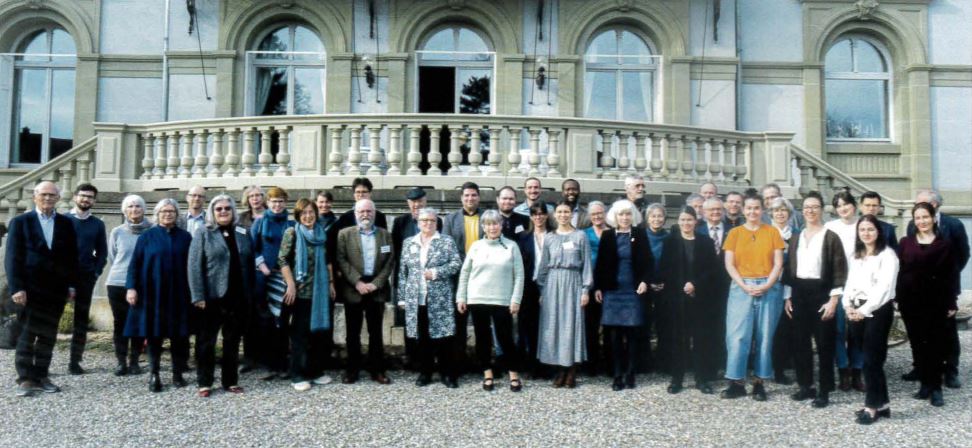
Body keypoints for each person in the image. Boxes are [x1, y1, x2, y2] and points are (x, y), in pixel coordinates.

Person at [6, 181, 79, 397]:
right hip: (29, 290)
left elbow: (71, 257)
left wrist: (72, 285)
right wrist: (17, 287)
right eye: (44, 195)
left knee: (48, 335)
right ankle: (26, 378)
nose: (48, 199)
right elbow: (12, 257)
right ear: (35, 197)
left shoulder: (66, 223)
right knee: (27, 334)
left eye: (52, 195)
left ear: (58, 198)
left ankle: (42, 375)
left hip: (56, 290)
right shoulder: (21, 222)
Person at [783, 192, 848, 408]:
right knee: (800, 342)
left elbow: (840, 270)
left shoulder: (830, 237)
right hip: (799, 293)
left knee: (824, 344)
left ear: (822, 209)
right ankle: (806, 385)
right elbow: (789, 269)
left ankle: (824, 390)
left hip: (822, 293)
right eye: (807, 207)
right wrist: (788, 297)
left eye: (815, 207)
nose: (810, 211)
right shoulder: (796, 237)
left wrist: (833, 300)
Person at [188, 195, 256, 397]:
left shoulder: (243, 231)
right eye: (219, 209)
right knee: (206, 341)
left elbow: (249, 263)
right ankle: (205, 382)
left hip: (238, 296)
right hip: (212, 296)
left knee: (232, 340)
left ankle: (230, 380)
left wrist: (250, 292)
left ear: (233, 211)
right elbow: (193, 266)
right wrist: (197, 295)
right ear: (212, 212)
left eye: (227, 208)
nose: (224, 212)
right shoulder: (204, 232)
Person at [720, 192, 785, 401]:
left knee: (764, 337)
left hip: (768, 286)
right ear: (743, 210)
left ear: (762, 210)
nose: (752, 212)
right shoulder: (735, 233)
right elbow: (729, 263)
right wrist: (744, 285)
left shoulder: (772, 232)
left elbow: (778, 263)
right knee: (738, 336)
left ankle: (759, 382)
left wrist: (767, 284)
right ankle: (736, 382)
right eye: (748, 208)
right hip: (741, 287)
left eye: (756, 208)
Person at [125, 198, 192, 393]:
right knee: (154, 334)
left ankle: (177, 373)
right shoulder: (147, 237)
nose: (168, 214)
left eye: (171, 211)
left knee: (179, 335)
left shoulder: (185, 237)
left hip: (179, 293)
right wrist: (131, 288)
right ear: (157, 214)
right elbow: (135, 264)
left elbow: (193, 265)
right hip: (152, 293)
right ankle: (154, 374)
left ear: (177, 215)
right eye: (164, 211)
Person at [904, 189, 969, 388]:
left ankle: (950, 370)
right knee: (919, 331)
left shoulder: (953, 225)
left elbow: (963, 254)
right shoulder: (911, 225)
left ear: (934, 205)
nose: (918, 210)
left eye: (922, 203)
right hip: (918, 290)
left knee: (947, 331)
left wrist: (946, 279)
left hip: (945, 289)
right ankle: (920, 367)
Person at [897, 202, 959, 407]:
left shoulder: (945, 245)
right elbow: (899, 271)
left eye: (925, 217)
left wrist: (952, 302)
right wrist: (896, 298)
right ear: (914, 221)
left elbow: (951, 275)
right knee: (917, 343)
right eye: (918, 218)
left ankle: (936, 388)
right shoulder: (905, 242)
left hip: (936, 302)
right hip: (910, 301)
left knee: (936, 344)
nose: (922, 221)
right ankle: (924, 384)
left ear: (933, 218)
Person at [456, 210, 525, 392]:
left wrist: (515, 299)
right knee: (483, 339)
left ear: (501, 225)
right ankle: (487, 373)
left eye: (495, 223)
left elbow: (519, 275)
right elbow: (465, 273)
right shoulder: (476, 246)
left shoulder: (511, 246)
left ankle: (513, 374)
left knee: (505, 338)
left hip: (502, 300)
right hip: (477, 298)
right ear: (483, 227)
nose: (492, 227)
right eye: (488, 224)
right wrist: (461, 297)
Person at [397, 208, 463, 388]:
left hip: (440, 297)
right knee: (422, 337)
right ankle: (425, 372)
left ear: (437, 223)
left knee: (444, 338)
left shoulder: (446, 241)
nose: (428, 223)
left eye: (432, 220)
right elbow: (403, 271)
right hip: (416, 298)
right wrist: (402, 297)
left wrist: (435, 273)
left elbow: (456, 264)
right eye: (424, 220)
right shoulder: (409, 242)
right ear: (418, 222)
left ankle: (447, 373)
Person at [844, 215, 899, 424]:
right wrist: (847, 305)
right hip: (856, 310)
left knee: (871, 361)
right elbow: (849, 283)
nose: (866, 233)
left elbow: (884, 289)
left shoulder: (888, 256)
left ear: (879, 232)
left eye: (870, 229)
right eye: (862, 230)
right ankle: (883, 404)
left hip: (877, 311)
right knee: (868, 359)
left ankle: (872, 406)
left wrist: (864, 310)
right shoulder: (856, 255)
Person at [659, 206, 720, 394]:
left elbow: (712, 270)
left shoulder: (705, 242)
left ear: (696, 221)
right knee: (679, 340)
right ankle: (677, 379)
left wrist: (695, 284)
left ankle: (701, 379)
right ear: (678, 222)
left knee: (701, 339)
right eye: (683, 220)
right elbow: (665, 269)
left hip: (700, 299)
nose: (686, 223)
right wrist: (682, 286)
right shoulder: (670, 242)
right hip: (677, 298)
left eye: (689, 220)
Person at [593, 200, 652, 391]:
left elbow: (648, 261)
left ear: (632, 216)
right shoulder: (608, 235)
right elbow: (601, 264)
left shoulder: (640, 235)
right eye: (621, 214)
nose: (625, 218)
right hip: (613, 290)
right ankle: (617, 374)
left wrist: (644, 281)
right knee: (615, 335)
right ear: (615, 217)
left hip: (633, 290)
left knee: (632, 333)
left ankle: (631, 373)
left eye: (628, 214)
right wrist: (598, 287)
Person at [336, 199, 394, 385]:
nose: (365, 214)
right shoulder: (344, 234)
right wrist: (357, 282)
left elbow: (390, 261)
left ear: (374, 213)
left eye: (369, 211)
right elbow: (341, 260)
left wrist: (376, 283)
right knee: (352, 332)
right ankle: (352, 370)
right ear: (355, 213)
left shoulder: (385, 235)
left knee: (375, 332)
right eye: (361, 211)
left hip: (376, 289)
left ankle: (377, 370)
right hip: (354, 288)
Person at [277, 199, 333, 391]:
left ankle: (315, 371)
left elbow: (327, 260)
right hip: (300, 292)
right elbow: (282, 259)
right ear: (298, 216)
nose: (308, 216)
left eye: (311, 212)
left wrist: (331, 283)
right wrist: (290, 284)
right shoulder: (292, 233)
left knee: (317, 334)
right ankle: (297, 374)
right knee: (299, 335)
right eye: (304, 213)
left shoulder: (321, 233)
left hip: (319, 291)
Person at [537, 202, 593, 388]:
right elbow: (543, 266)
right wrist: (542, 290)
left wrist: (585, 290)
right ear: (554, 215)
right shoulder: (550, 238)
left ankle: (572, 371)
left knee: (571, 325)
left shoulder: (580, 236)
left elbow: (586, 265)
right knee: (554, 325)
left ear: (572, 214)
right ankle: (559, 369)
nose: (563, 215)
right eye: (559, 212)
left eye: (566, 211)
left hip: (573, 283)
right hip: (553, 284)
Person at [390, 187, 441, 369]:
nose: (417, 205)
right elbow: (395, 252)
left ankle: (431, 359)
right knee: (409, 321)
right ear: (408, 204)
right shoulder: (400, 222)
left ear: (425, 201)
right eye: (413, 202)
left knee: (430, 320)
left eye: (420, 201)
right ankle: (413, 358)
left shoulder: (436, 220)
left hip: (430, 281)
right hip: (407, 280)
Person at [106, 195, 151, 376]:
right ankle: (121, 361)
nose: (134, 210)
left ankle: (134, 361)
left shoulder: (152, 230)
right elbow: (112, 256)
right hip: (117, 283)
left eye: (138, 206)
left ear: (143, 209)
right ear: (124, 210)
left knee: (139, 323)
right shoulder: (117, 231)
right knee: (120, 324)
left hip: (143, 284)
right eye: (130, 206)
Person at [66, 183, 108, 375]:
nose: (86, 199)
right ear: (75, 197)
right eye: (82, 196)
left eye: (90, 197)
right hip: (61, 278)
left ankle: (75, 361)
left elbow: (102, 253)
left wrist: (95, 273)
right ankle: (42, 363)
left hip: (85, 279)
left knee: (80, 321)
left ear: (94, 200)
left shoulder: (97, 224)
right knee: (49, 319)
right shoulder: (62, 220)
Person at [442, 181, 484, 370]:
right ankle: (457, 364)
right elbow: (446, 248)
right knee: (458, 322)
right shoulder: (450, 220)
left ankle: (484, 364)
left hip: (483, 277)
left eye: (473, 195)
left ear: (479, 197)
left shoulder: (487, 218)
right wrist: (465, 265)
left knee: (482, 322)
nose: (470, 198)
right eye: (466, 195)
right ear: (461, 198)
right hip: (458, 276)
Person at [824, 189, 863, 392]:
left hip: (860, 285)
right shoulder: (830, 227)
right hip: (837, 284)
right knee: (838, 329)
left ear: (854, 206)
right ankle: (843, 370)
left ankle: (857, 370)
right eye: (838, 206)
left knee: (857, 329)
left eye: (845, 204)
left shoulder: (863, 225)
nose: (842, 209)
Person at [517, 202, 553, 376]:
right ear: (531, 217)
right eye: (535, 214)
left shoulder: (554, 236)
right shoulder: (523, 237)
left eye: (541, 214)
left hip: (550, 284)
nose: (538, 217)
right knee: (528, 326)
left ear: (546, 215)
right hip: (528, 286)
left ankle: (546, 364)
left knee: (547, 325)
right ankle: (531, 364)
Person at [582, 201, 608, 375]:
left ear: (605, 213)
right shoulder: (584, 234)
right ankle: (591, 362)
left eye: (600, 213)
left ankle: (608, 361)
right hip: (590, 284)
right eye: (594, 214)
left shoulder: (612, 232)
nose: (597, 216)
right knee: (590, 325)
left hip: (609, 284)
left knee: (609, 325)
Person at [645, 203, 670, 371]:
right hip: (645, 286)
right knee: (645, 323)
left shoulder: (670, 238)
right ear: (647, 219)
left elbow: (673, 263)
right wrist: (648, 282)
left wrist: (664, 282)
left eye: (660, 216)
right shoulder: (641, 237)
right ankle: (645, 361)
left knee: (664, 324)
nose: (656, 219)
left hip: (665, 286)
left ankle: (663, 361)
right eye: (653, 216)